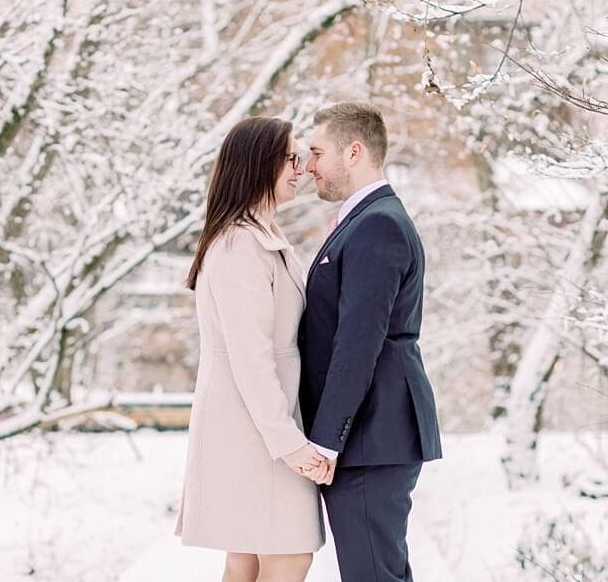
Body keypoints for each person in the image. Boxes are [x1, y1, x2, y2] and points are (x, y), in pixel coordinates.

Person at [176, 116, 327, 582]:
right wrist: (290, 445)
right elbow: (250, 358)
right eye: (292, 158)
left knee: (247, 561)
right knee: (289, 555)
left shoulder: (259, 237)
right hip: (256, 430)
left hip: (256, 425)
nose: (301, 169)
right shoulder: (241, 244)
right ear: (260, 164)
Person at [298, 102, 443, 582]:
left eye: (317, 152)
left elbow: (359, 341)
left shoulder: (377, 224)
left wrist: (325, 442)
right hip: (371, 434)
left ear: (354, 151)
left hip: (369, 435)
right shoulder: (366, 219)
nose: (309, 165)